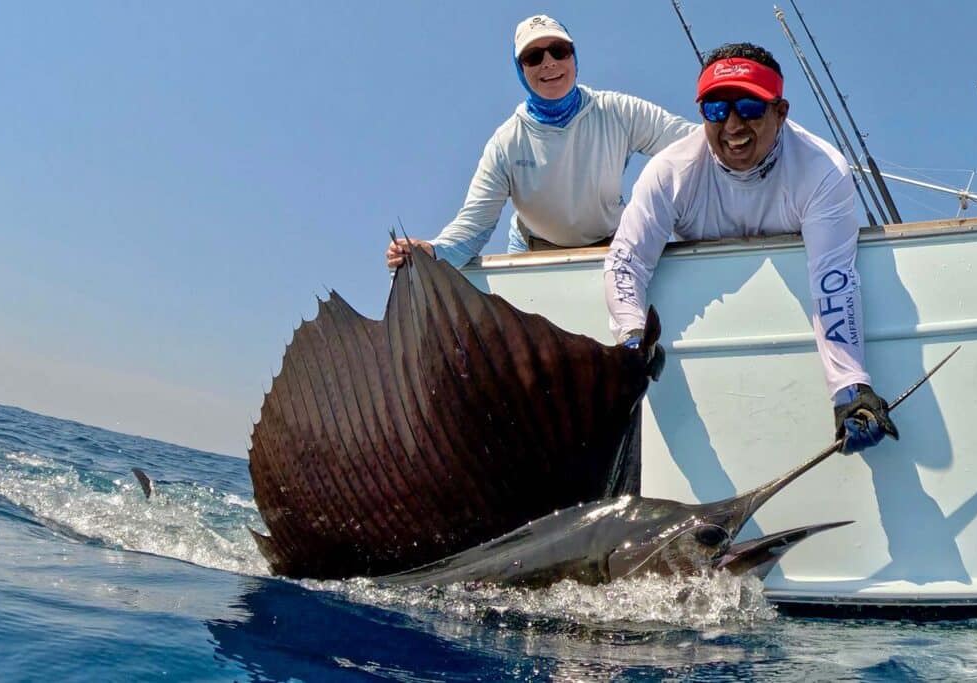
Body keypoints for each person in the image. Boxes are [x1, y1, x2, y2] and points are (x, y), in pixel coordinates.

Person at [604, 42, 898, 454]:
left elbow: (833, 280)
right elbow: (625, 263)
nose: (733, 125)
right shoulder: (669, 172)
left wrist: (850, 388)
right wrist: (633, 338)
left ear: (781, 111)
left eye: (750, 106)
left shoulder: (822, 170)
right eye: (717, 109)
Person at [385, 14, 698, 269]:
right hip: (532, 255)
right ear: (521, 70)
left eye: (559, 51)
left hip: (613, 246)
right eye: (534, 57)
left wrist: (735, 117)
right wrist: (431, 251)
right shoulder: (506, 142)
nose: (549, 63)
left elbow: (693, 144)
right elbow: (474, 228)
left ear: (574, 57)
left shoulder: (618, 111)